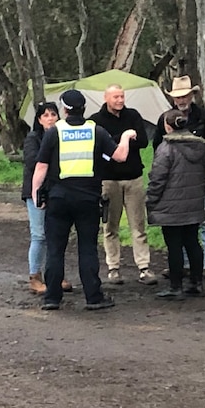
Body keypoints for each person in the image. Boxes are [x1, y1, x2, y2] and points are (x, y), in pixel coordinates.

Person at [31, 89, 137, 311]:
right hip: (88, 198)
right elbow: (120, 156)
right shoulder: (96, 131)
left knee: (55, 248)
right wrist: (126, 136)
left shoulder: (54, 132)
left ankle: (52, 298)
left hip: (58, 198)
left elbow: (41, 167)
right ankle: (93, 296)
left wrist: (36, 195)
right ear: (84, 108)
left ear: (65, 110)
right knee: (87, 248)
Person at [152, 75, 205, 281]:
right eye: (177, 97)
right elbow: (157, 147)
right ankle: (183, 265)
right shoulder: (164, 118)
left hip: (199, 181)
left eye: (184, 96)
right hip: (174, 184)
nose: (181, 100)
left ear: (192, 95)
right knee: (179, 225)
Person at [89, 84, 156, 285]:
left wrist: (113, 142)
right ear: (106, 98)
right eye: (116, 97)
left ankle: (144, 267)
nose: (120, 100)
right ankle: (113, 267)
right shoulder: (96, 121)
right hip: (109, 180)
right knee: (110, 225)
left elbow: (143, 141)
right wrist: (124, 139)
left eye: (122, 96)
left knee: (138, 224)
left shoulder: (133, 116)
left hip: (133, 177)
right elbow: (97, 147)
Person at [146, 109, 205, 300]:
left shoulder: (165, 149)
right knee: (192, 242)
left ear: (167, 126)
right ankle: (196, 283)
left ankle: (176, 286)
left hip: (170, 206)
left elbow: (158, 179)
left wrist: (151, 200)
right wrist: (199, 190)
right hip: (193, 203)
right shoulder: (200, 146)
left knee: (174, 246)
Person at [21, 102, 72, 295]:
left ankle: (55, 275)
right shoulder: (33, 138)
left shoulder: (62, 136)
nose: (50, 118)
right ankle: (35, 276)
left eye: (53, 114)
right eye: (46, 115)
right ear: (39, 119)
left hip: (57, 189)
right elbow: (33, 162)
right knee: (39, 235)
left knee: (56, 234)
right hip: (36, 191)